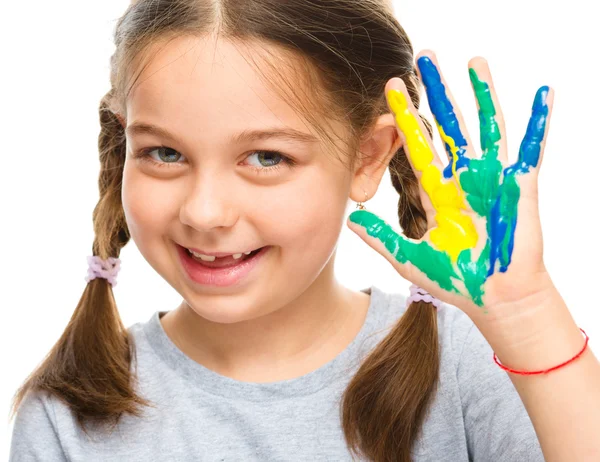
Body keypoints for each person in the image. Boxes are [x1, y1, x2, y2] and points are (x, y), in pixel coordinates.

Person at [8, 0, 600, 461]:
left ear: (367, 156)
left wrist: (525, 316)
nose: (205, 211)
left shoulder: (465, 366)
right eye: (164, 153)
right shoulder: (67, 416)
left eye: (267, 158)